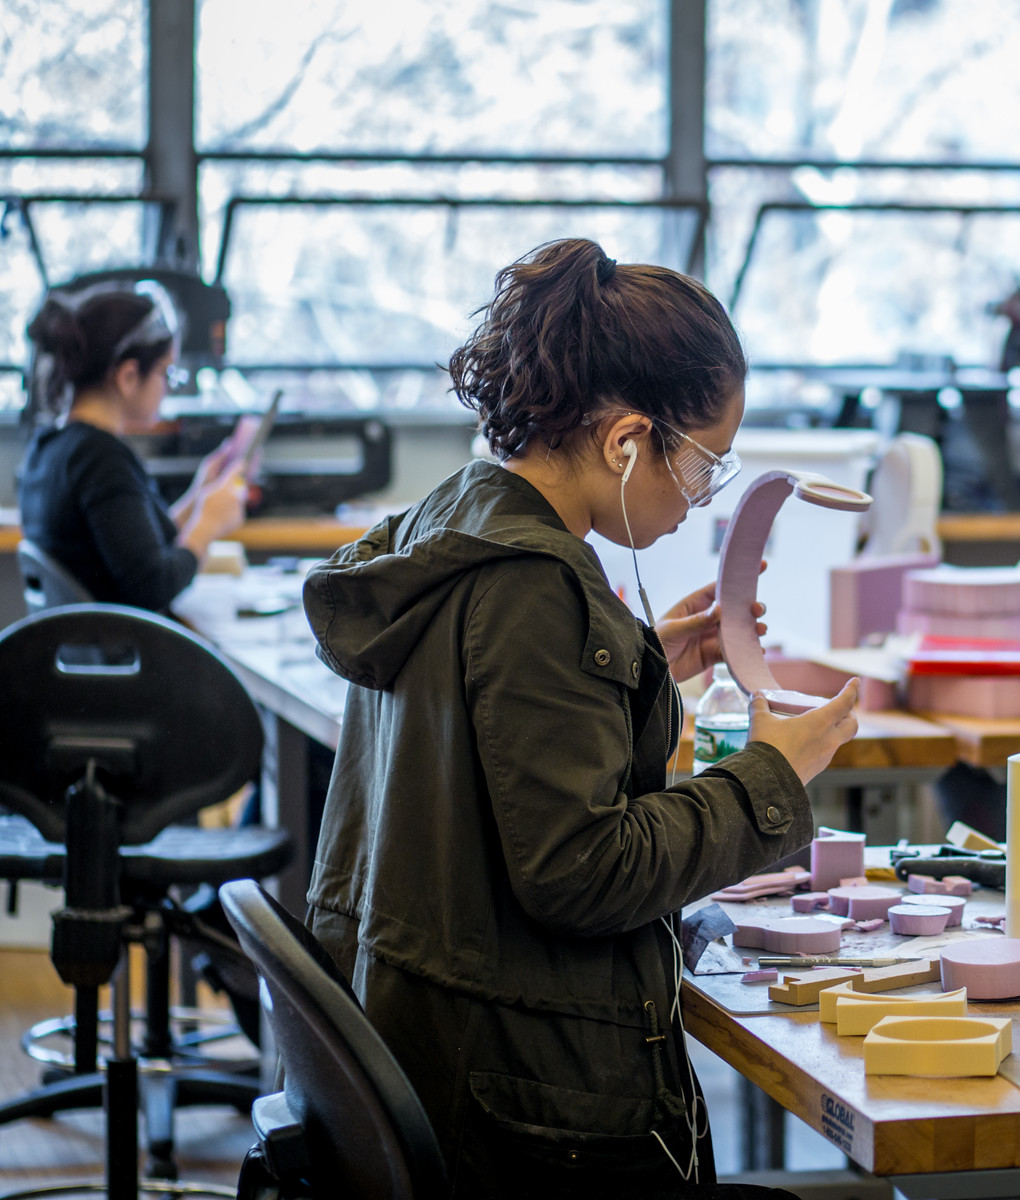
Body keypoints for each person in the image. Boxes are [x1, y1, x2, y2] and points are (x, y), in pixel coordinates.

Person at [302, 238, 859, 1198]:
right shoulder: (536, 588)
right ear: (625, 441)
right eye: (705, 465)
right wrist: (771, 776)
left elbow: (488, 734)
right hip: (522, 1108)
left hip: (432, 1041)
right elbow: (584, 871)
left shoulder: (456, 521)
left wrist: (642, 668)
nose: (701, 499)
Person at [19, 284, 246, 611]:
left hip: (90, 637)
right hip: (121, 640)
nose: (168, 388)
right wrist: (207, 527)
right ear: (128, 376)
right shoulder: (100, 458)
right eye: (165, 372)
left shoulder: (50, 448)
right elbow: (154, 587)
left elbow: (134, 547)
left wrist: (199, 496)